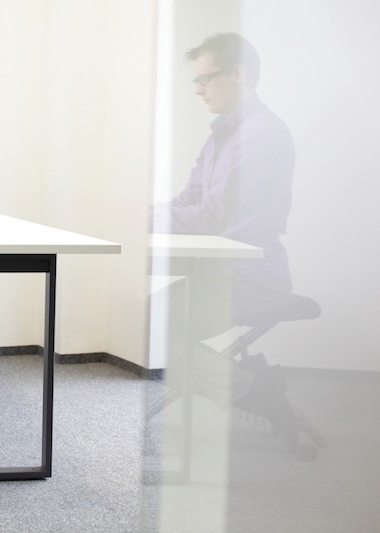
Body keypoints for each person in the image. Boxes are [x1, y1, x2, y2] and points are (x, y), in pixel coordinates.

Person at [151, 33, 308, 445]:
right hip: (216, 272)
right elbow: (187, 200)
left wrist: (143, 219)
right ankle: (255, 385)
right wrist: (145, 215)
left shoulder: (260, 133)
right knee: (138, 323)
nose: (198, 89)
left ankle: (257, 393)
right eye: (195, 81)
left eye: (206, 78)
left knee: (148, 331)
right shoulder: (221, 132)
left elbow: (209, 216)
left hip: (252, 277)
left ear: (237, 74)